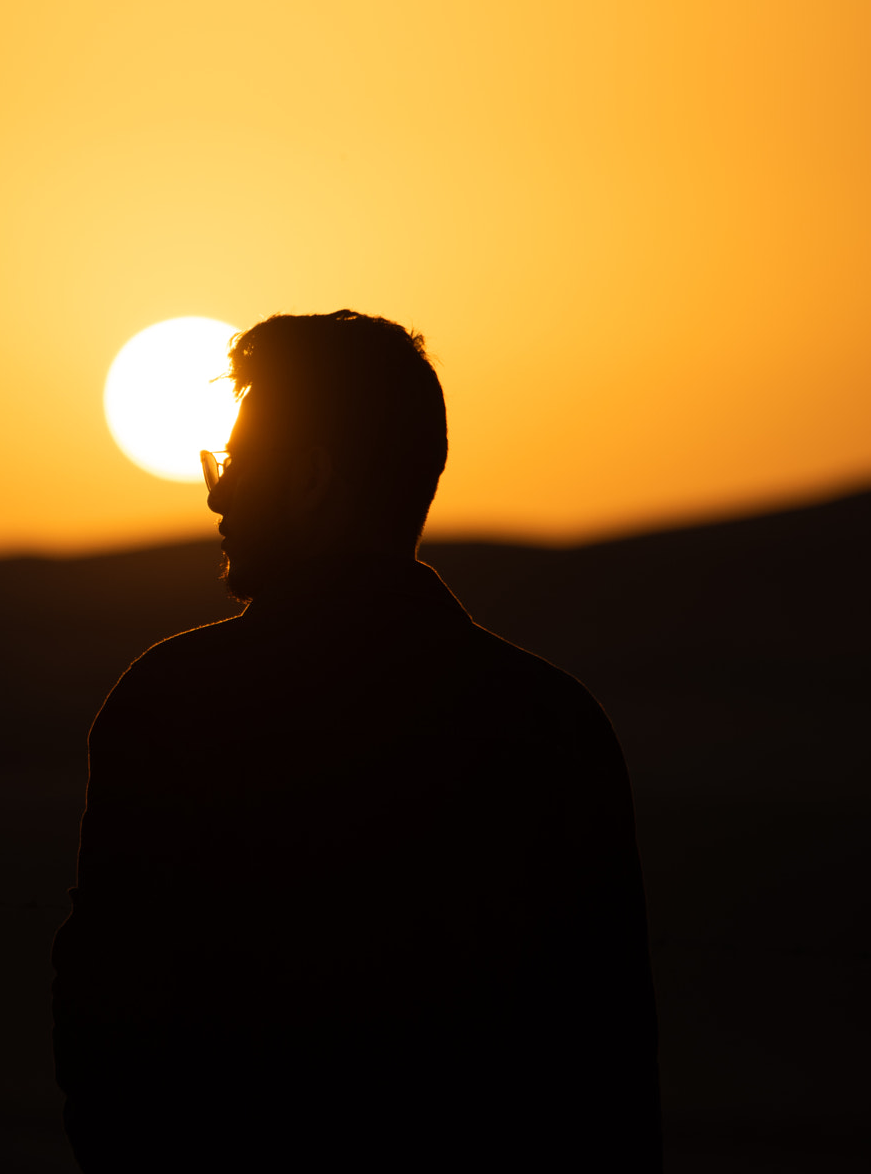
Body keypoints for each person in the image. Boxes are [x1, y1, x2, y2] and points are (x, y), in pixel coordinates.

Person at [52, 310, 660, 1171]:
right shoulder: (553, 727)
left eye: (237, 463)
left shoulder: (176, 706)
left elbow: (107, 1036)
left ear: (309, 479)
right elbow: (609, 1071)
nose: (219, 493)